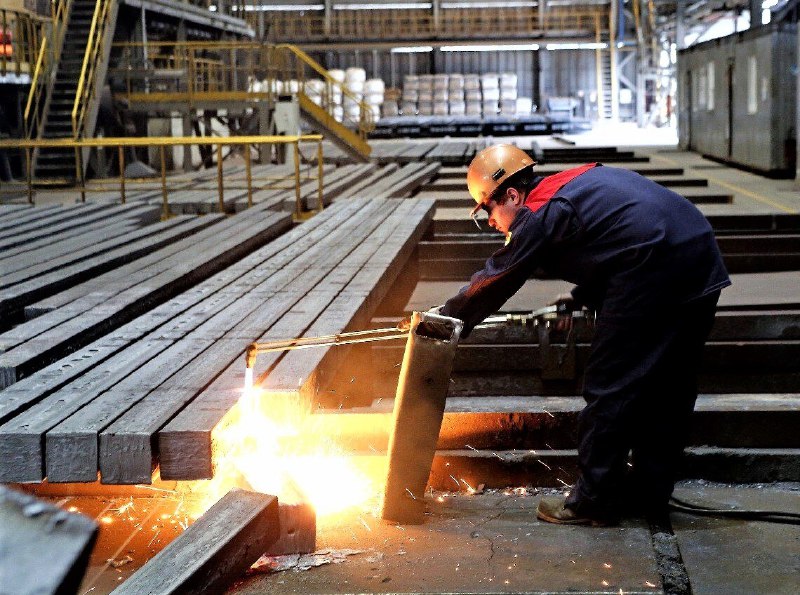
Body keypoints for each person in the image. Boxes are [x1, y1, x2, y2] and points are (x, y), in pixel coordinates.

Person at [437, 143, 731, 526]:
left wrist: (444, 320)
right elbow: (615, 236)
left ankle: (594, 502)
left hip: (654, 267)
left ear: (511, 194)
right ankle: (649, 493)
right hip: (699, 257)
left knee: (611, 386)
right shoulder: (571, 183)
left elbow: (499, 277)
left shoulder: (540, 212)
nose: (491, 222)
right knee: (669, 387)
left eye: (488, 210)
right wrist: (582, 298)